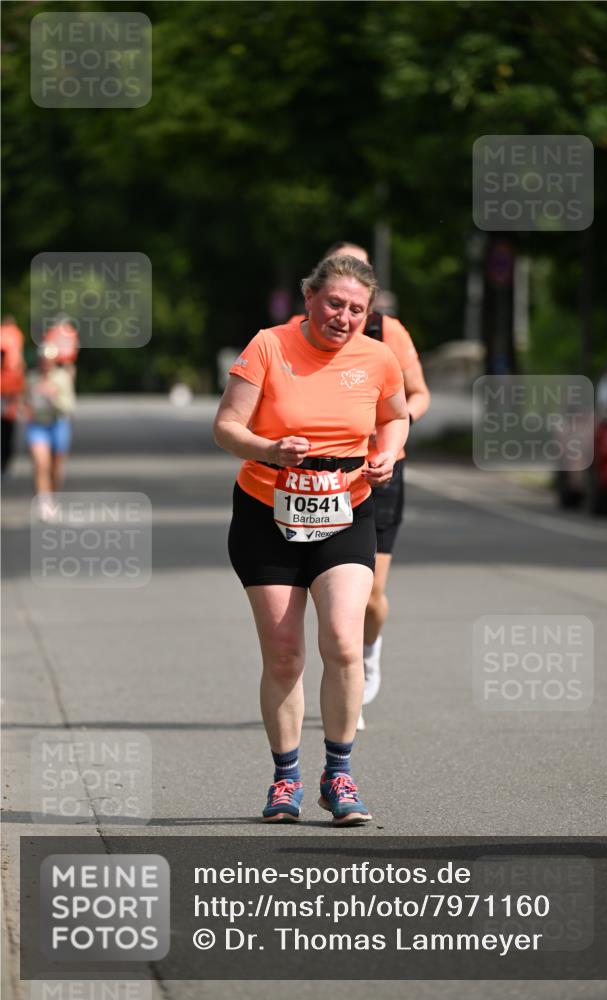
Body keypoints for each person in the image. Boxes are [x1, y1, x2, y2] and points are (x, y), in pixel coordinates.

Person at [213, 255, 409, 825]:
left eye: (356, 309)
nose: (343, 317)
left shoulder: (378, 357)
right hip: (265, 513)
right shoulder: (269, 347)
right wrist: (271, 451)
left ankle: (339, 774)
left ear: (367, 314)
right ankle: (286, 778)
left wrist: (386, 454)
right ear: (309, 299)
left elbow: (395, 417)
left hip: (345, 512)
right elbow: (226, 426)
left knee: (345, 644)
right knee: (284, 655)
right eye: (334, 303)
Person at [292, 242, 431, 726]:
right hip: (317, 479)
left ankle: (365, 654)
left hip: (380, 469)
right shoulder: (298, 334)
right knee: (323, 588)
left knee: (371, 594)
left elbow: (417, 395)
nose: (347, 310)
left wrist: (388, 436)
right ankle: (343, 677)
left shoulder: (386, 332)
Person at [25, 342, 76, 520]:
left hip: (57, 424)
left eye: (48, 360)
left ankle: (52, 498)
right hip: (37, 425)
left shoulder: (62, 378)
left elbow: (69, 406)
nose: (45, 363)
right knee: (41, 464)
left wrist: (53, 396)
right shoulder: (31, 378)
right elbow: (24, 403)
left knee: (55, 467)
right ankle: (44, 503)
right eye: (42, 360)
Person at [0, 316, 26, 475]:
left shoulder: (6, 334)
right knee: (8, 428)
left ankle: (5, 460)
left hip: (7, 388)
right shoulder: (16, 335)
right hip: (10, 388)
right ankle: (5, 460)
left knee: (6, 428)